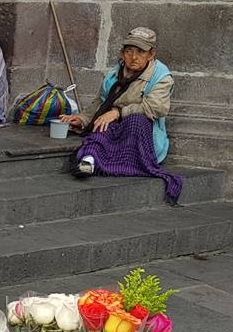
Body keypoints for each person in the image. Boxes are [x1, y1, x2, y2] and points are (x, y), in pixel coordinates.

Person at [67, 26, 183, 202]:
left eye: (140, 52)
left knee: (135, 120)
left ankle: (115, 161)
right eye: (129, 51)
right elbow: (99, 102)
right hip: (115, 125)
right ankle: (89, 161)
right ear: (122, 53)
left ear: (151, 54)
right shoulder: (114, 74)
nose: (134, 57)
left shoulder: (161, 76)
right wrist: (82, 119)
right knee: (103, 124)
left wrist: (118, 112)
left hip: (142, 131)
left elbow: (156, 107)